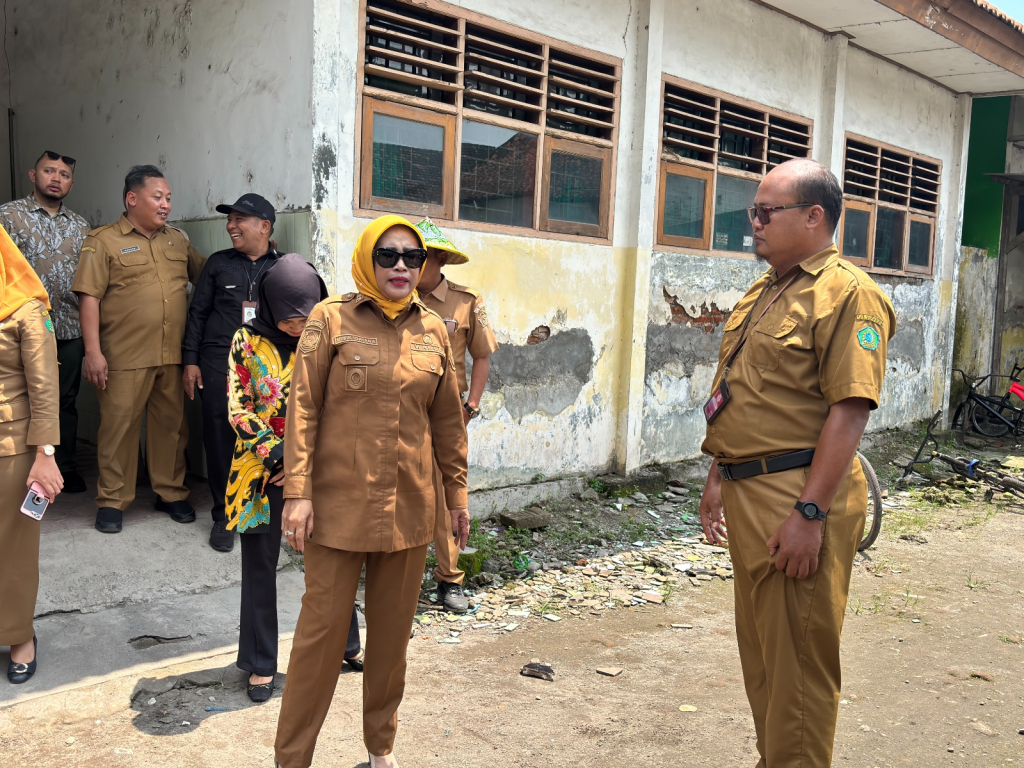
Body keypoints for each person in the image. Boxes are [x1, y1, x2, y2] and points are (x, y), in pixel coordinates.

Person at [698, 158, 896, 767]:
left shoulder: (848, 294)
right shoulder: (768, 288)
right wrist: (717, 475)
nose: (752, 222)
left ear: (814, 217)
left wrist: (810, 512)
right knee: (765, 659)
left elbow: (850, 410)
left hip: (796, 494)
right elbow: (743, 390)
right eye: (752, 211)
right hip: (747, 487)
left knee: (801, 673)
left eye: (765, 211)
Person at [273, 215, 469, 768]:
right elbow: (303, 409)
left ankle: (380, 752)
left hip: (409, 511)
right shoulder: (329, 320)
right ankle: (292, 760)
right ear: (368, 259)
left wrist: (457, 498)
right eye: (388, 255)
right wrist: (298, 494)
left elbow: (449, 423)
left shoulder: (434, 330)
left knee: (390, 647)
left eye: (412, 256)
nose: (402, 265)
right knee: (320, 642)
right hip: (336, 510)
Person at [223, 253, 365, 703]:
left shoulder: (331, 337)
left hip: (321, 469)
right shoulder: (246, 341)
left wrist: (307, 458)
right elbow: (239, 407)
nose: (296, 328)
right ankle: (261, 662)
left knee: (330, 560)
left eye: (304, 318)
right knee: (260, 569)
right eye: (287, 320)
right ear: (267, 305)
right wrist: (276, 454)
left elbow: (344, 403)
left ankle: (347, 645)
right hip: (260, 473)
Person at [72, 165, 206, 534]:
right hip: (123, 357)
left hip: (171, 354)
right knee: (119, 430)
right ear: (132, 198)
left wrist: (254, 254)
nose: (165, 204)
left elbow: (206, 275)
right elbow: (89, 299)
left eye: (168, 198)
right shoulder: (102, 241)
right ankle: (112, 500)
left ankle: (171, 492)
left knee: (172, 428)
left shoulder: (176, 240)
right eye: (157, 197)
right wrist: (93, 352)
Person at [182, 194, 280, 552]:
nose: (231, 226)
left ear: (264, 227)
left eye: (240, 219)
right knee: (219, 437)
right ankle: (224, 514)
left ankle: (257, 509)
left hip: (264, 372)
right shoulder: (218, 264)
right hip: (216, 363)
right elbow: (198, 313)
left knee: (262, 438)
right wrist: (190, 361)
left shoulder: (284, 267)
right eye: (229, 219)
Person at [414, 218, 498, 613]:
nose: (410, 266)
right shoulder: (394, 297)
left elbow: (481, 356)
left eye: (420, 258)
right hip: (404, 412)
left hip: (449, 415)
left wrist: (470, 408)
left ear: (440, 259)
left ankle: (449, 579)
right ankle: (403, 574)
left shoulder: (465, 302)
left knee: (451, 494)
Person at [0, 151, 91, 493]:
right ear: (31, 174)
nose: (56, 178)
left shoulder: (81, 226)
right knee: (19, 398)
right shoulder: (7, 216)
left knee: (63, 400)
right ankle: (18, 467)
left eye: (64, 174)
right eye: (48, 171)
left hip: (68, 326)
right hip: (16, 325)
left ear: (71, 182)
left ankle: (62, 466)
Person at [0, 224, 63, 684]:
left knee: (14, 546)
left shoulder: (27, 309)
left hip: (13, 447)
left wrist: (45, 453)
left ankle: (19, 635)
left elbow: (44, 387)